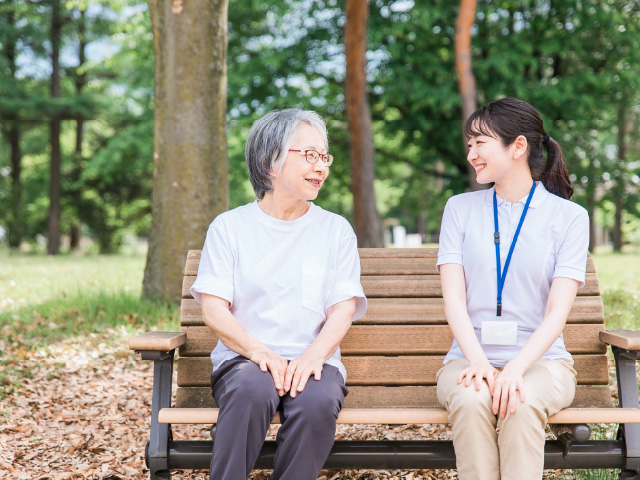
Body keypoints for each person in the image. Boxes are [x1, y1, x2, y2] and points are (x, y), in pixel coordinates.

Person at [189, 108, 367, 480]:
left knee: (317, 402)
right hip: (245, 360)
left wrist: (313, 357)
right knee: (253, 388)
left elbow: (342, 308)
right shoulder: (229, 228)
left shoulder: (335, 230)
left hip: (314, 361)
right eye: (309, 155)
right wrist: (260, 352)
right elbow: (214, 310)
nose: (321, 166)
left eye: (324, 157)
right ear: (270, 161)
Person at [435, 97, 589, 480]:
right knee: (472, 401)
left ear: (517, 146)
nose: (471, 153)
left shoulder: (569, 217)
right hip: (468, 359)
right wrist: (480, 363)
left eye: (480, 143)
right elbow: (453, 299)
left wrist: (516, 368)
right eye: (469, 144)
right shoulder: (459, 208)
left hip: (543, 363)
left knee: (518, 399)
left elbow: (557, 312)